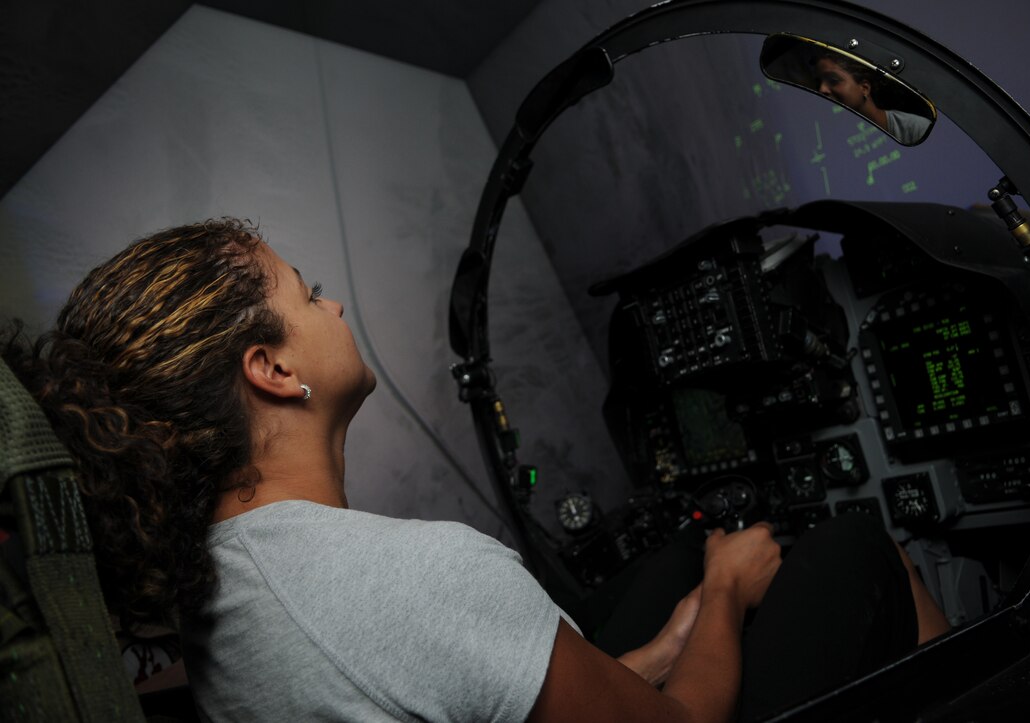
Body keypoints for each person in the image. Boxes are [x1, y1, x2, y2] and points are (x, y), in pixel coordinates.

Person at [2, 218, 947, 721]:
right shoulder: (415, 577)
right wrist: (731, 595)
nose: (333, 306)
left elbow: (442, 686)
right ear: (274, 370)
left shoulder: (224, 589)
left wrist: (662, 651)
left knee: (668, 577)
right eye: (308, 291)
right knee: (864, 546)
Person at [813, 53, 932, 145]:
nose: (822, 89)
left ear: (864, 88)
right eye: (819, 83)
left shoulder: (915, 129)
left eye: (833, 80)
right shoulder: (832, 142)